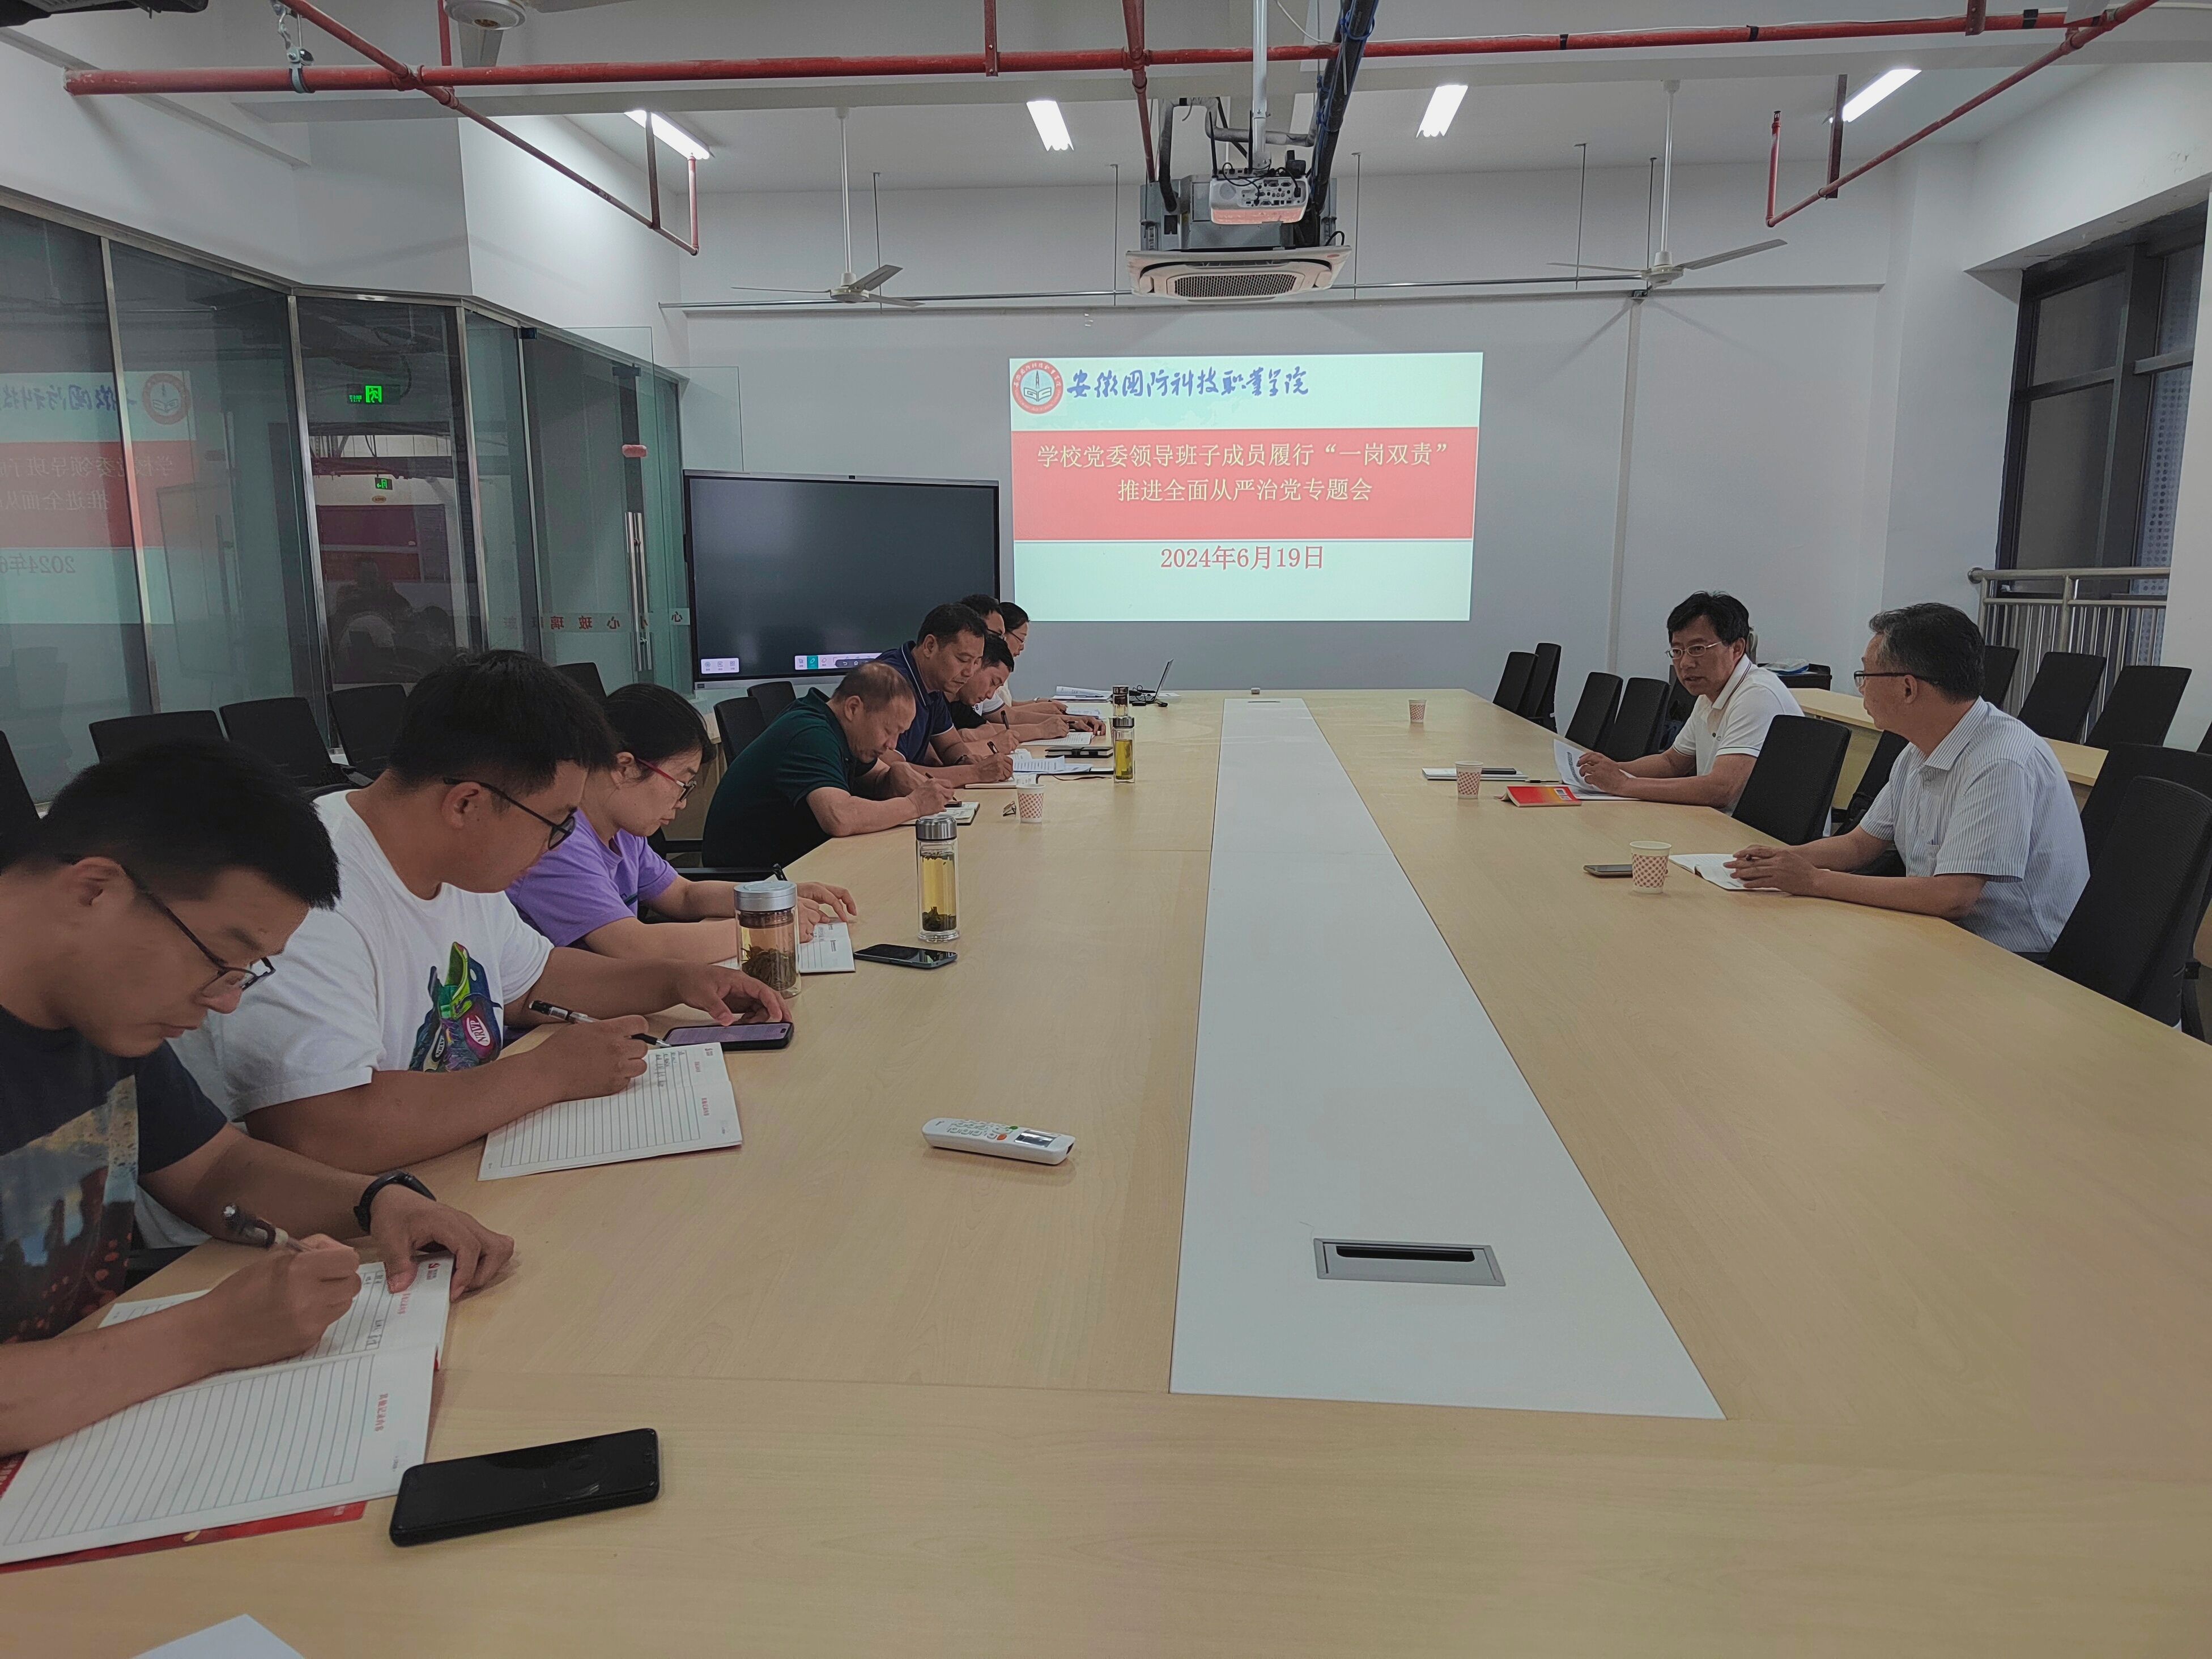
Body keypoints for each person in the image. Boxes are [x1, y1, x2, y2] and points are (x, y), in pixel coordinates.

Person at [0, 742, 512, 1454]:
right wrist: (208, 1334)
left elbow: (213, 1169)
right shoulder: (105, 1000)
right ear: (95, 891)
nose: (227, 1003)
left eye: (246, 972)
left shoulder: (96, 1009)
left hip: (93, 1426)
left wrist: (375, 1201)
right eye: (219, 961)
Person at [165, 652, 788, 1186]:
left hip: (442, 1170)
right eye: (556, 823)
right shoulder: (306, 890)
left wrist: (677, 981)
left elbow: (536, 977)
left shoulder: (460, 866)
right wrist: (545, 1074)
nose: (560, 843)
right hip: (295, 1236)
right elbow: (321, 1129)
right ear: (467, 804)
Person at [1729, 603, 2088, 954]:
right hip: (1941, 934)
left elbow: (1953, 897)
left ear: (1907, 688)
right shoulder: (1919, 748)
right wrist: (1779, 860)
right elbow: (1859, 846)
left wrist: (1813, 880)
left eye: (1865, 676)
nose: (1861, 689)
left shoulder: (2001, 762)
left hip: (2017, 958)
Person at [507, 682, 855, 963]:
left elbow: (684, 895)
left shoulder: (622, 830)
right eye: (681, 782)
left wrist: (774, 897)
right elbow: (634, 946)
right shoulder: (558, 841)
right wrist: (769, 925)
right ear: (624, 768)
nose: (683, 801)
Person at [700, 661, 959, 873]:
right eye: (888, 731)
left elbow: (875, 777)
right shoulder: (810, 734)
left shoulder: (840, 729)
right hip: (754, 879)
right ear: (854, 708)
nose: (892, 745)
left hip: (794, 864)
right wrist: (914, 805)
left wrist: (894, 775)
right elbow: (840, 818)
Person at [1572, 592, 1797, 809]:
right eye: (1677, 651)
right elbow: (1672, 763)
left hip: (1756, 831)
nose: (1685, 663)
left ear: (1737, 648)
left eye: (1697, 649)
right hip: (1719, 820)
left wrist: (1624, 784)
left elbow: (1722, 789)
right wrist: (1613, 770)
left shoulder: (1757, 695)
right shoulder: (1710, 693)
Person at [878, 604, 1015, 785]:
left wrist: (966, 761)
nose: (969, 672)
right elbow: (891, 771)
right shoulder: (891, 683)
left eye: (976, 663)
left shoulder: (933, 683)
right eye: (963, 660)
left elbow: (951, 746)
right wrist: (974, 773)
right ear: (930, 646)